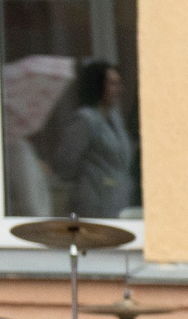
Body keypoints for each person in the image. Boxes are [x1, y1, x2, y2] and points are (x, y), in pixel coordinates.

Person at [44, 59, 139, 218]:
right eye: (112, 84)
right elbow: (66, 163)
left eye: (119, 84)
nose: (119, 89)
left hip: (120, 202)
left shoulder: (115, 118)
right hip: (94, 203)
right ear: (98, 85)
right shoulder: (84, 119)